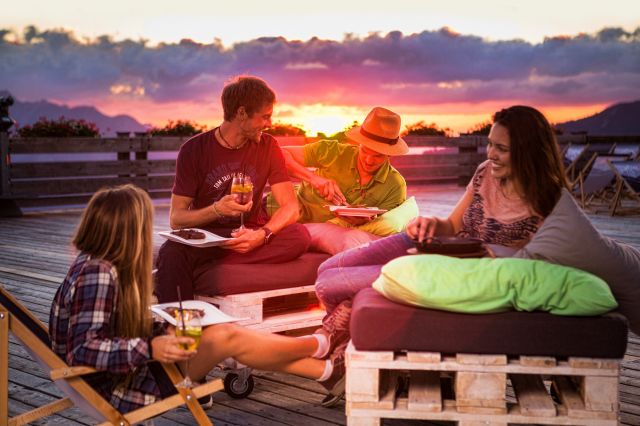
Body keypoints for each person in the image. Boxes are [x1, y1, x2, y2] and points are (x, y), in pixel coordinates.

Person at [311, 105, 569, 404]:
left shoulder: (549, 198)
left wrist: (486, 257)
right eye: (490, 145)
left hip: (459, 268)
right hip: (435, 241)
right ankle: (344, 357)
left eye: (501, 148)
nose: (491, 154)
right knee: (329, 268)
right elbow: (453, 224)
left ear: (527, 150)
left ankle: (343, 358)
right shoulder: (485, 172)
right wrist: (431, 224)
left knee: (330, 286)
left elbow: (540, 265)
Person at [49, 184, 345, 414]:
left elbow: (103, 334)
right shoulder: (99, 273)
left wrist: (158, 331)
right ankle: (320, 348)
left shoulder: (91, 263)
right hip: (120, 387)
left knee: (221, 333)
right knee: (226, 336)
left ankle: (324, 367)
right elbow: (83, 350)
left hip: (128, 372)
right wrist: (151, 345)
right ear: (129, 230)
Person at [155, 75, 311, 303]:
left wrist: (262, 235)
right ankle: (178, 330)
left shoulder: (268, 146)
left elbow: (290, 207)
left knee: (299, 236)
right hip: (208, 238)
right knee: (172, 252)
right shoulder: (194, 150)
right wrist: (216, 210)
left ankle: (213, 264)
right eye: (264, 117)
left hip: (251, 235)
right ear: (241, 113)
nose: (269, 124)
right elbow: (177, 219)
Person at [267, 106, 409, 254]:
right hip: (274, 210)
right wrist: (314, 178)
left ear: (390, 155)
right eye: (365, 150)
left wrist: (361, 222)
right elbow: (278, 154)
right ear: (359, 144)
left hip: (315, 233)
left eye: (378, 155)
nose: (368, 160)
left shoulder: (395, 186)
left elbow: (382, 228)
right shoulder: (333, 151)